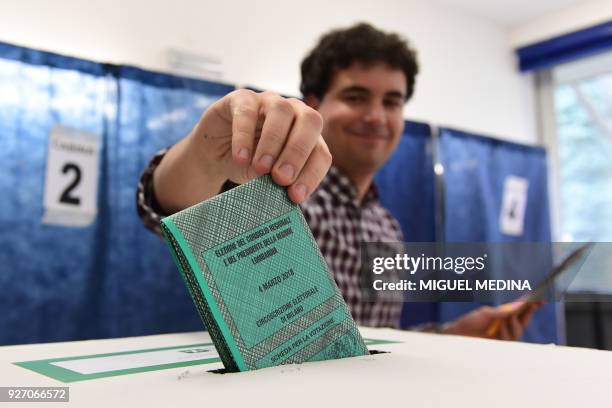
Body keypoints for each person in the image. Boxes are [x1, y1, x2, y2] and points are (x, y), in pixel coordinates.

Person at [137, 22, 540, 340]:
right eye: (356, 97)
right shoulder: (273, 191)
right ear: (313, 103)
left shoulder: (387, 226)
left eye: (392, 101)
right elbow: (168, 208)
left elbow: (370, 344)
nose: (377, 117)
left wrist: (454, 334)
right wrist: (206, 156)